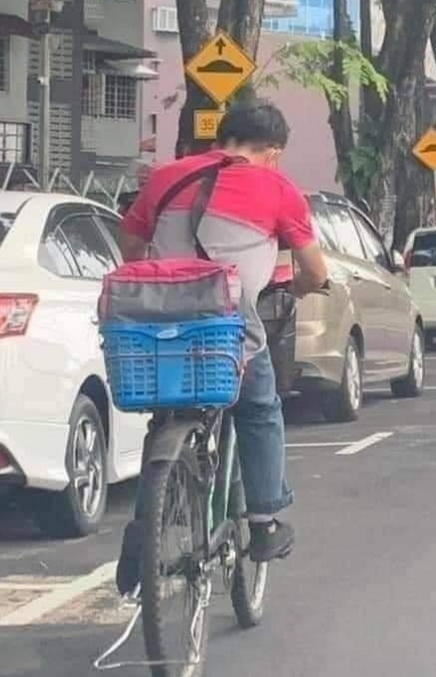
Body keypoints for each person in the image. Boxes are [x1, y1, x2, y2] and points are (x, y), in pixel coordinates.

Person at [114, 100, 328, 595]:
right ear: (273, 152)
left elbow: (130, 243)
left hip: (158, 331)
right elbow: (315, 272)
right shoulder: (278, 188)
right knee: (259, 408)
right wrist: (294, 290)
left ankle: (140, 536)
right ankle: (264, 521)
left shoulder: (167, 176)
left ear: (220, 139)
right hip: (225, 331)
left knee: (166, 418)